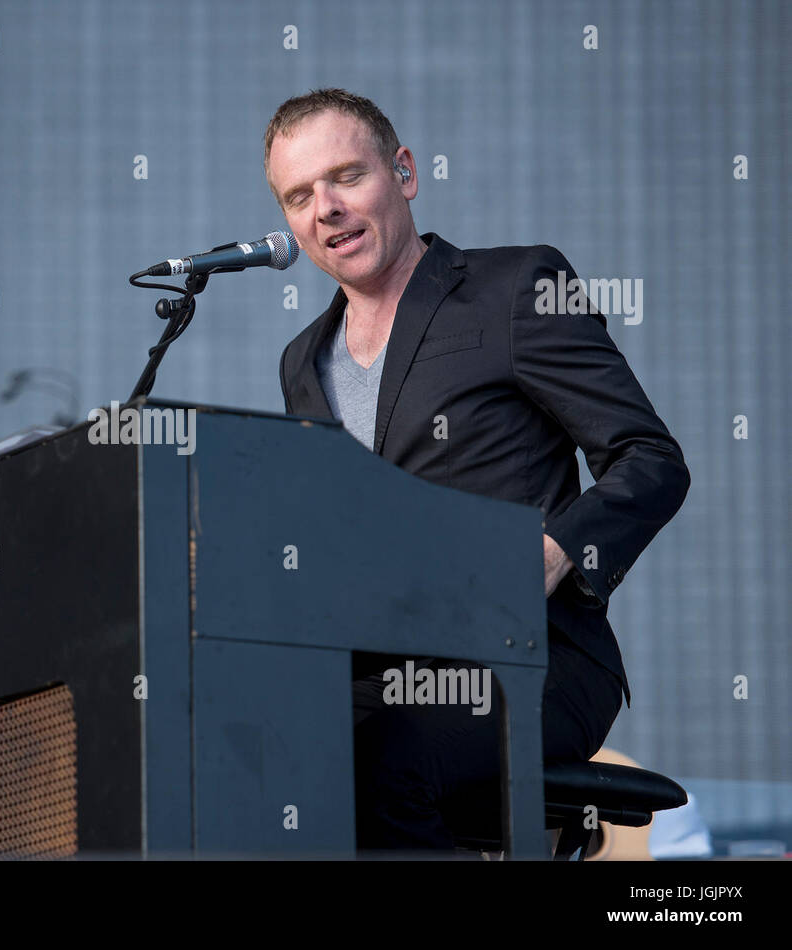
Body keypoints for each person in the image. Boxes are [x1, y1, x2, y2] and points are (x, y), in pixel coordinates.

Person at [264, 88, 690, 851]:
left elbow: (651, 460)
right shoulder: (302, 363)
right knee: (247, 765)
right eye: (300, 195)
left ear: (404, 173)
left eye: (346, 177)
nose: (325, 208)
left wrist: (557, 553)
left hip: (537, 659)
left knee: (380, 767)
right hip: (384, 673)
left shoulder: (515, 289)